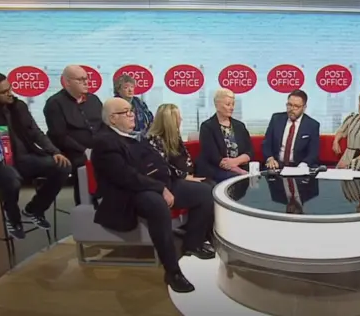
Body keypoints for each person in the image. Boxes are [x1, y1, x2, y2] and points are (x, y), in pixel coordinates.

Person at [91, 98, 215, 293]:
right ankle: (172, 271)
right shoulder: (104, 142)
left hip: (157, 184)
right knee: (157, 206)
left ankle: (193, 243)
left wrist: (179, 178)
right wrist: (160, 188)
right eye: (126, 112)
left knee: (205, 192)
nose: (132, 114)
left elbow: (158, 162)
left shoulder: (133, 136)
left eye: (131, 110)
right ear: (113, 119)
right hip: (130, 193)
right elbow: (127, 177)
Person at [0, 71, 71, 239]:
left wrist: (54, 151)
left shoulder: (18, 106)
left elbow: (35, 133)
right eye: (4, 92)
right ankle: (13, 218)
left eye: (10, 88)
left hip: (24, 158)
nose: (10, 93)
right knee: (9, 176)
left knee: (63, 166)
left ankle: (34, 209)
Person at [44, 65, 103, 204]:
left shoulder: (94, 100)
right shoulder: (55, 103)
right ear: (67, 82)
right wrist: (85, 150)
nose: (86, 82)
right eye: (80, 79)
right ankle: (87, 204)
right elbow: (60, 136)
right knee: (84, 164)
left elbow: (103, 125)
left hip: (97, 147)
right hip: (73, 152)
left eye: (86, 78)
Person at [147, 103, 215, 186]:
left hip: (187, 175)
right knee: (207, 189)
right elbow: (163, 167)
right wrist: (185, 176)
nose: (181, 119)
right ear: (170, 121)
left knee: (212, 184)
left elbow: (186, 157)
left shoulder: (175, 136)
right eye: (178, 118)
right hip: (173, 180)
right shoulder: (154, 140)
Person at [196, 88, 253, 182]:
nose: (232, 107)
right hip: (216, 169)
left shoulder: (240, 126)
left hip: (240, 166)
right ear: (217, 105)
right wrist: (239, 171)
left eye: (233, 104)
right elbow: (214, 157)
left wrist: (236, 161)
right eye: (228, 104)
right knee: (237, 179)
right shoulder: (207, 127)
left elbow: (250, 151)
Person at [262, 89, 320, 170]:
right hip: (277, 165)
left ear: (304, 107)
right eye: (289, 105)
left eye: (296, 106)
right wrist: (270, 158)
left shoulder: (312, 125)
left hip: (299, 166)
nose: (291, 109)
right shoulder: (276, 119)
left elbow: (313, 153)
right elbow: (266, 143)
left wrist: (303, 165)